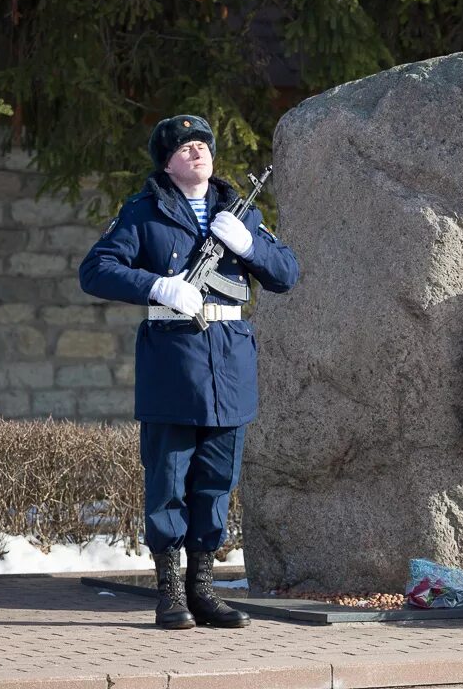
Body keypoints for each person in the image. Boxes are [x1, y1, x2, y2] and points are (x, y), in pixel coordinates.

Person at [79, 114, 299, 629]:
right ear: (167, 161)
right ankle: (170, 591)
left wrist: (249, 245)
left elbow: (287, 274)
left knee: (216, 481)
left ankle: (203, 589)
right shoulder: (143, 212)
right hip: (174, 361)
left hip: (230, 360)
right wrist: (158, 286)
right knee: (170, 479)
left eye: (203, 144)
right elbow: (95, 270)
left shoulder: (240, 213)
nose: (197, 152)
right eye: (184, 147)